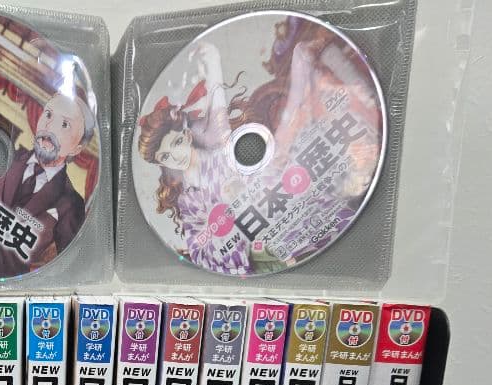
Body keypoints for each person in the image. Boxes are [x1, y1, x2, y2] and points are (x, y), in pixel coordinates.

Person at [136, 17, 378, 275]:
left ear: (185, 135)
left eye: (174, 144)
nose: (174, 157)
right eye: (165, 157)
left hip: (299, 213)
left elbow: (219, 102)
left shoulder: (220, 148)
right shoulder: (188, 200)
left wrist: (213, 62)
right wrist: (237, 230)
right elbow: (199, 249)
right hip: (267, 250)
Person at [0, 90, 96, 277]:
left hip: (6, 287)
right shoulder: (6, 157)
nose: (49, 127)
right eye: (48, 115)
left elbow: (72, 267)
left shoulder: (71, 203)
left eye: (65, 124)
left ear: (77, 149)